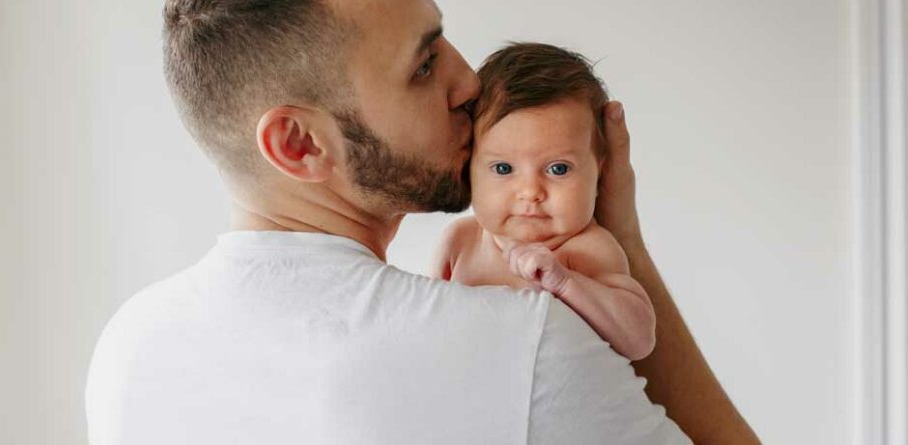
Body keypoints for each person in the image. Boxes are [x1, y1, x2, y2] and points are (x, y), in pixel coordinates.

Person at [85, 0, 760, 443]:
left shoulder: (127, 350)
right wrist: (624, 244)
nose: (471, 83)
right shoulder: (525, 346)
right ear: (300, 144)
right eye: (425, 64)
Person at [434, 43, 655, 362]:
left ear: (600, 171)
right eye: (503, 168)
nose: (530, 192)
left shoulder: (589, 250)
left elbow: (639, 340)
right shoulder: (460, 243)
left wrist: (565, 283)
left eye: (558, 168)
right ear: (468, 167)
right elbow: (427, 327)